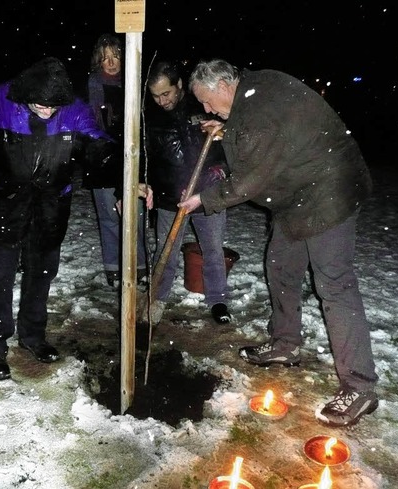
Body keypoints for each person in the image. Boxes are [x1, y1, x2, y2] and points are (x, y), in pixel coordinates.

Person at [179, 59, 378, 427]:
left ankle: (360, 386)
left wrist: (203, 200)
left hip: (327, 194)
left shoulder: (259, 111)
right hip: (298, 196)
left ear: (224, 85)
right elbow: (260, 137)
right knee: (281, 266)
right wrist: (228, 129)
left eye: (207, 101)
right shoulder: (253, 92)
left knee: (334, 285)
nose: (206, 109)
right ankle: (285, 344)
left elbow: (249, 179)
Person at [0, 57, 143, 381]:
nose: (48, 111)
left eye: (54, 106)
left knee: (41, 274)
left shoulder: (72, 110)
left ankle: (32, 336)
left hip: (50, 206)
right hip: (2, 203)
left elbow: (101, 151)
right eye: (42, 105)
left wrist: (129, 179)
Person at [143, 61, 231, 325]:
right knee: (166, 250)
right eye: (155, 96)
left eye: (166, 93)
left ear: (179, 85)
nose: (161, 101)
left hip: (208, 195)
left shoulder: (204, 106)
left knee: (213, 250)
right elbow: (148, 158)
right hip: (171, 198)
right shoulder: (151, 115)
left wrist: (211, 178)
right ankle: (157, 299)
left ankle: (218, 300)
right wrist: (149, 185)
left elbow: (225, 153)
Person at [85, 34, 148, 287]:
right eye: (105, 59)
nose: (111, 63)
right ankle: (114, 268)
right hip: (101, 158)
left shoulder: (135, 82)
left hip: (132, 157)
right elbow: (89, 126)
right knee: (110, 216)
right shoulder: (91, 86)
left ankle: (140, 266)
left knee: (135, 214)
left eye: (115, 56)